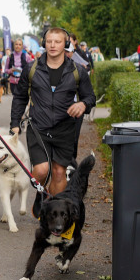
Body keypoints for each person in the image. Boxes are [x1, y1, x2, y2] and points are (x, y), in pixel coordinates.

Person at [10, 26, 97, 198]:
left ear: (65, 44)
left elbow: (90, 97)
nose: (52, 45)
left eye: (57, 42)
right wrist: (14, 123)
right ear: (44, 43)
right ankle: (41, 196)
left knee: (58, 172)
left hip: (65, 129)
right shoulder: (31, 69)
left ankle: (52, 208)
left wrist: (83, 104)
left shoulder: (77, 71)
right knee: (41, 170)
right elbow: (20, 97)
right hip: (38, 128)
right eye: (49, 41)